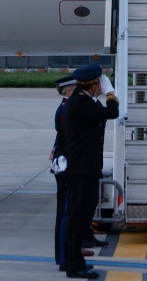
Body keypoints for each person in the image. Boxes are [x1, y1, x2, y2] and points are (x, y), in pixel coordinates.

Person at [61, 64, 119, 279]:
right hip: (82, 169)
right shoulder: (81, 103)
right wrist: (110, 93)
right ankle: (74, 265)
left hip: (84, 168)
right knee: (79, 217)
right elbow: (112, 112)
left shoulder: (81, 100)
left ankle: (74, 261)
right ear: (95, 85)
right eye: (100, 84)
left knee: (81, 217)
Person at [51, 75, 76, 266]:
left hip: (63, 161)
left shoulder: (66, 107)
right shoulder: (66, 109)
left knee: (65, 211)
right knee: (66, 211)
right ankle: (63, 256)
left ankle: (64, 254)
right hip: (65, 164)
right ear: (69, 90)